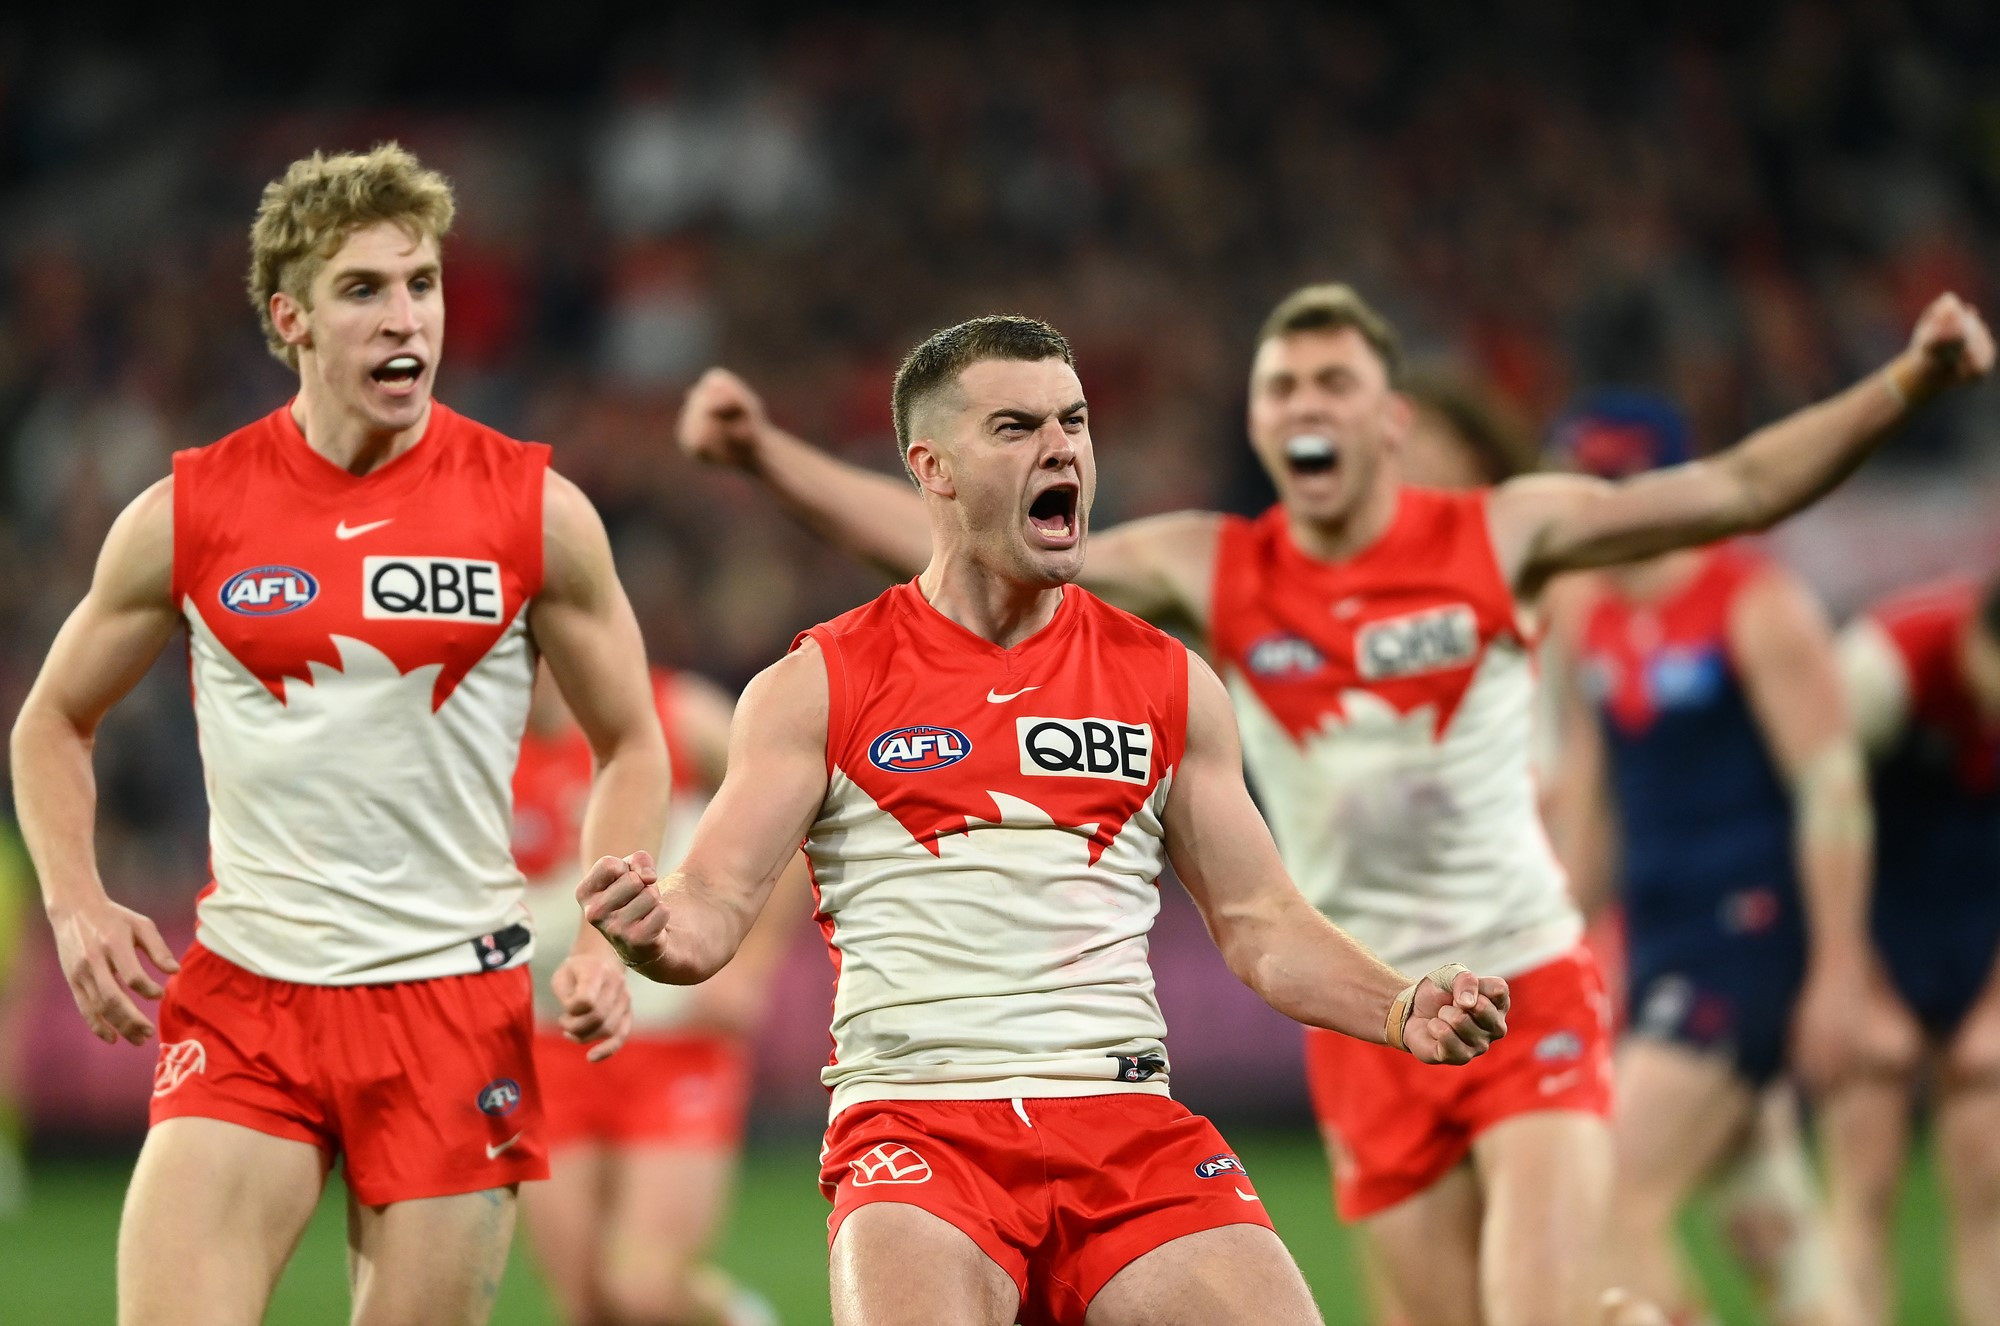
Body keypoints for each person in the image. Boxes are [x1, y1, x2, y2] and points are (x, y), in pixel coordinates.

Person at [673, 285, 1994, 1326]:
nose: (1305, 403)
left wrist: (1906, 384)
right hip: (1354, 1010)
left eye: (1334, 381)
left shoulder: (1494, 538)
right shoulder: (1214, 570)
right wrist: (775, 461)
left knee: (1541, 1301)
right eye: (1282, 385)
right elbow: (935, 547)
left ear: (1391, 419)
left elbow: (1738, 489)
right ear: (1260, 425)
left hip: (1511, 977)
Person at [584, 315, 1511, 1326]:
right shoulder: (818, 685)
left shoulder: (1166, 680)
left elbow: (1258, 923)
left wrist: (1393, 1005)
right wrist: (652, 928)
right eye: (1016, 428)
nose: (1060, 446)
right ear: (931, 468)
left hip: (1123, 1123)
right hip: (918, 1128)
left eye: (1071, 421)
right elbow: (710, 905)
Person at [7, 144, 668, 1326]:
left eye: (420, 284)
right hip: (251, 996)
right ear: (291, 317)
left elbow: (631, 741)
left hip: (451, 1010)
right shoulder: (189, 511)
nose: (403, 316)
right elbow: (53, 719)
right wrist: (75, 898)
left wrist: (604, 935)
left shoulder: (535, 511)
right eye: (363, 290)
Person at [1540, 390, 1875, 1326]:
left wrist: (1842, 971)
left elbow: (1833, 793)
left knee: (1610, 1191)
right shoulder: (1586, 611)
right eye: (1582, 485)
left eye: (1613, 484)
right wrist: (1556, 940)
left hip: (1749, 934)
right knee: (1773, 1234)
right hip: (1661, 940)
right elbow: (1597, 790)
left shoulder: (1755, 604)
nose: (1593, 506)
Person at [513, 662, 795, 1326]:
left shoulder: (678, 715)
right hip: (548, 1044)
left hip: (677, 1038)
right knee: (586, 1303)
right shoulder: (480, 743)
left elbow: (789, 813)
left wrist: (748, 964)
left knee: (642, 1291)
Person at [1827, 571, 2000, 1325]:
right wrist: (1856, 986)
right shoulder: (1878, 667)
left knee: (1990, 1188)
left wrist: (1996, 1008)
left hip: (1982, 924)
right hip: (1881, 915)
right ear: (1976, 641)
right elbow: (1815, 833)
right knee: (1862, 1186)